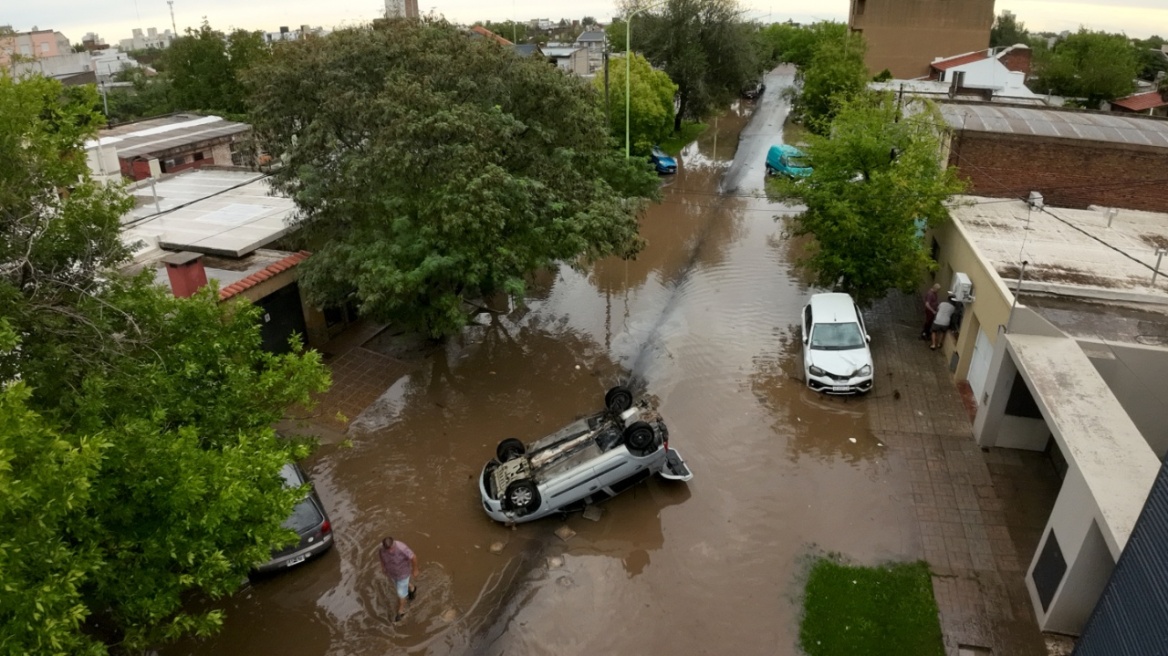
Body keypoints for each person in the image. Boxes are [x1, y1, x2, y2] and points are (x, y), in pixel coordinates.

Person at [379, 537, 419, 622]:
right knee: (399, 585)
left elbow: (413, 557)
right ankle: (412, 588)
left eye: (391, 549)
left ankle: (401, 611)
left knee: (401, 593)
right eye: (388, 549)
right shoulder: (381, 548)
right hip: (392, 573)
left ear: (394, 544)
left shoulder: (402, 548)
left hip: (403, 573)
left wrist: (415, 569)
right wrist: (383, 567)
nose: (390, 551)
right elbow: (381, 556)